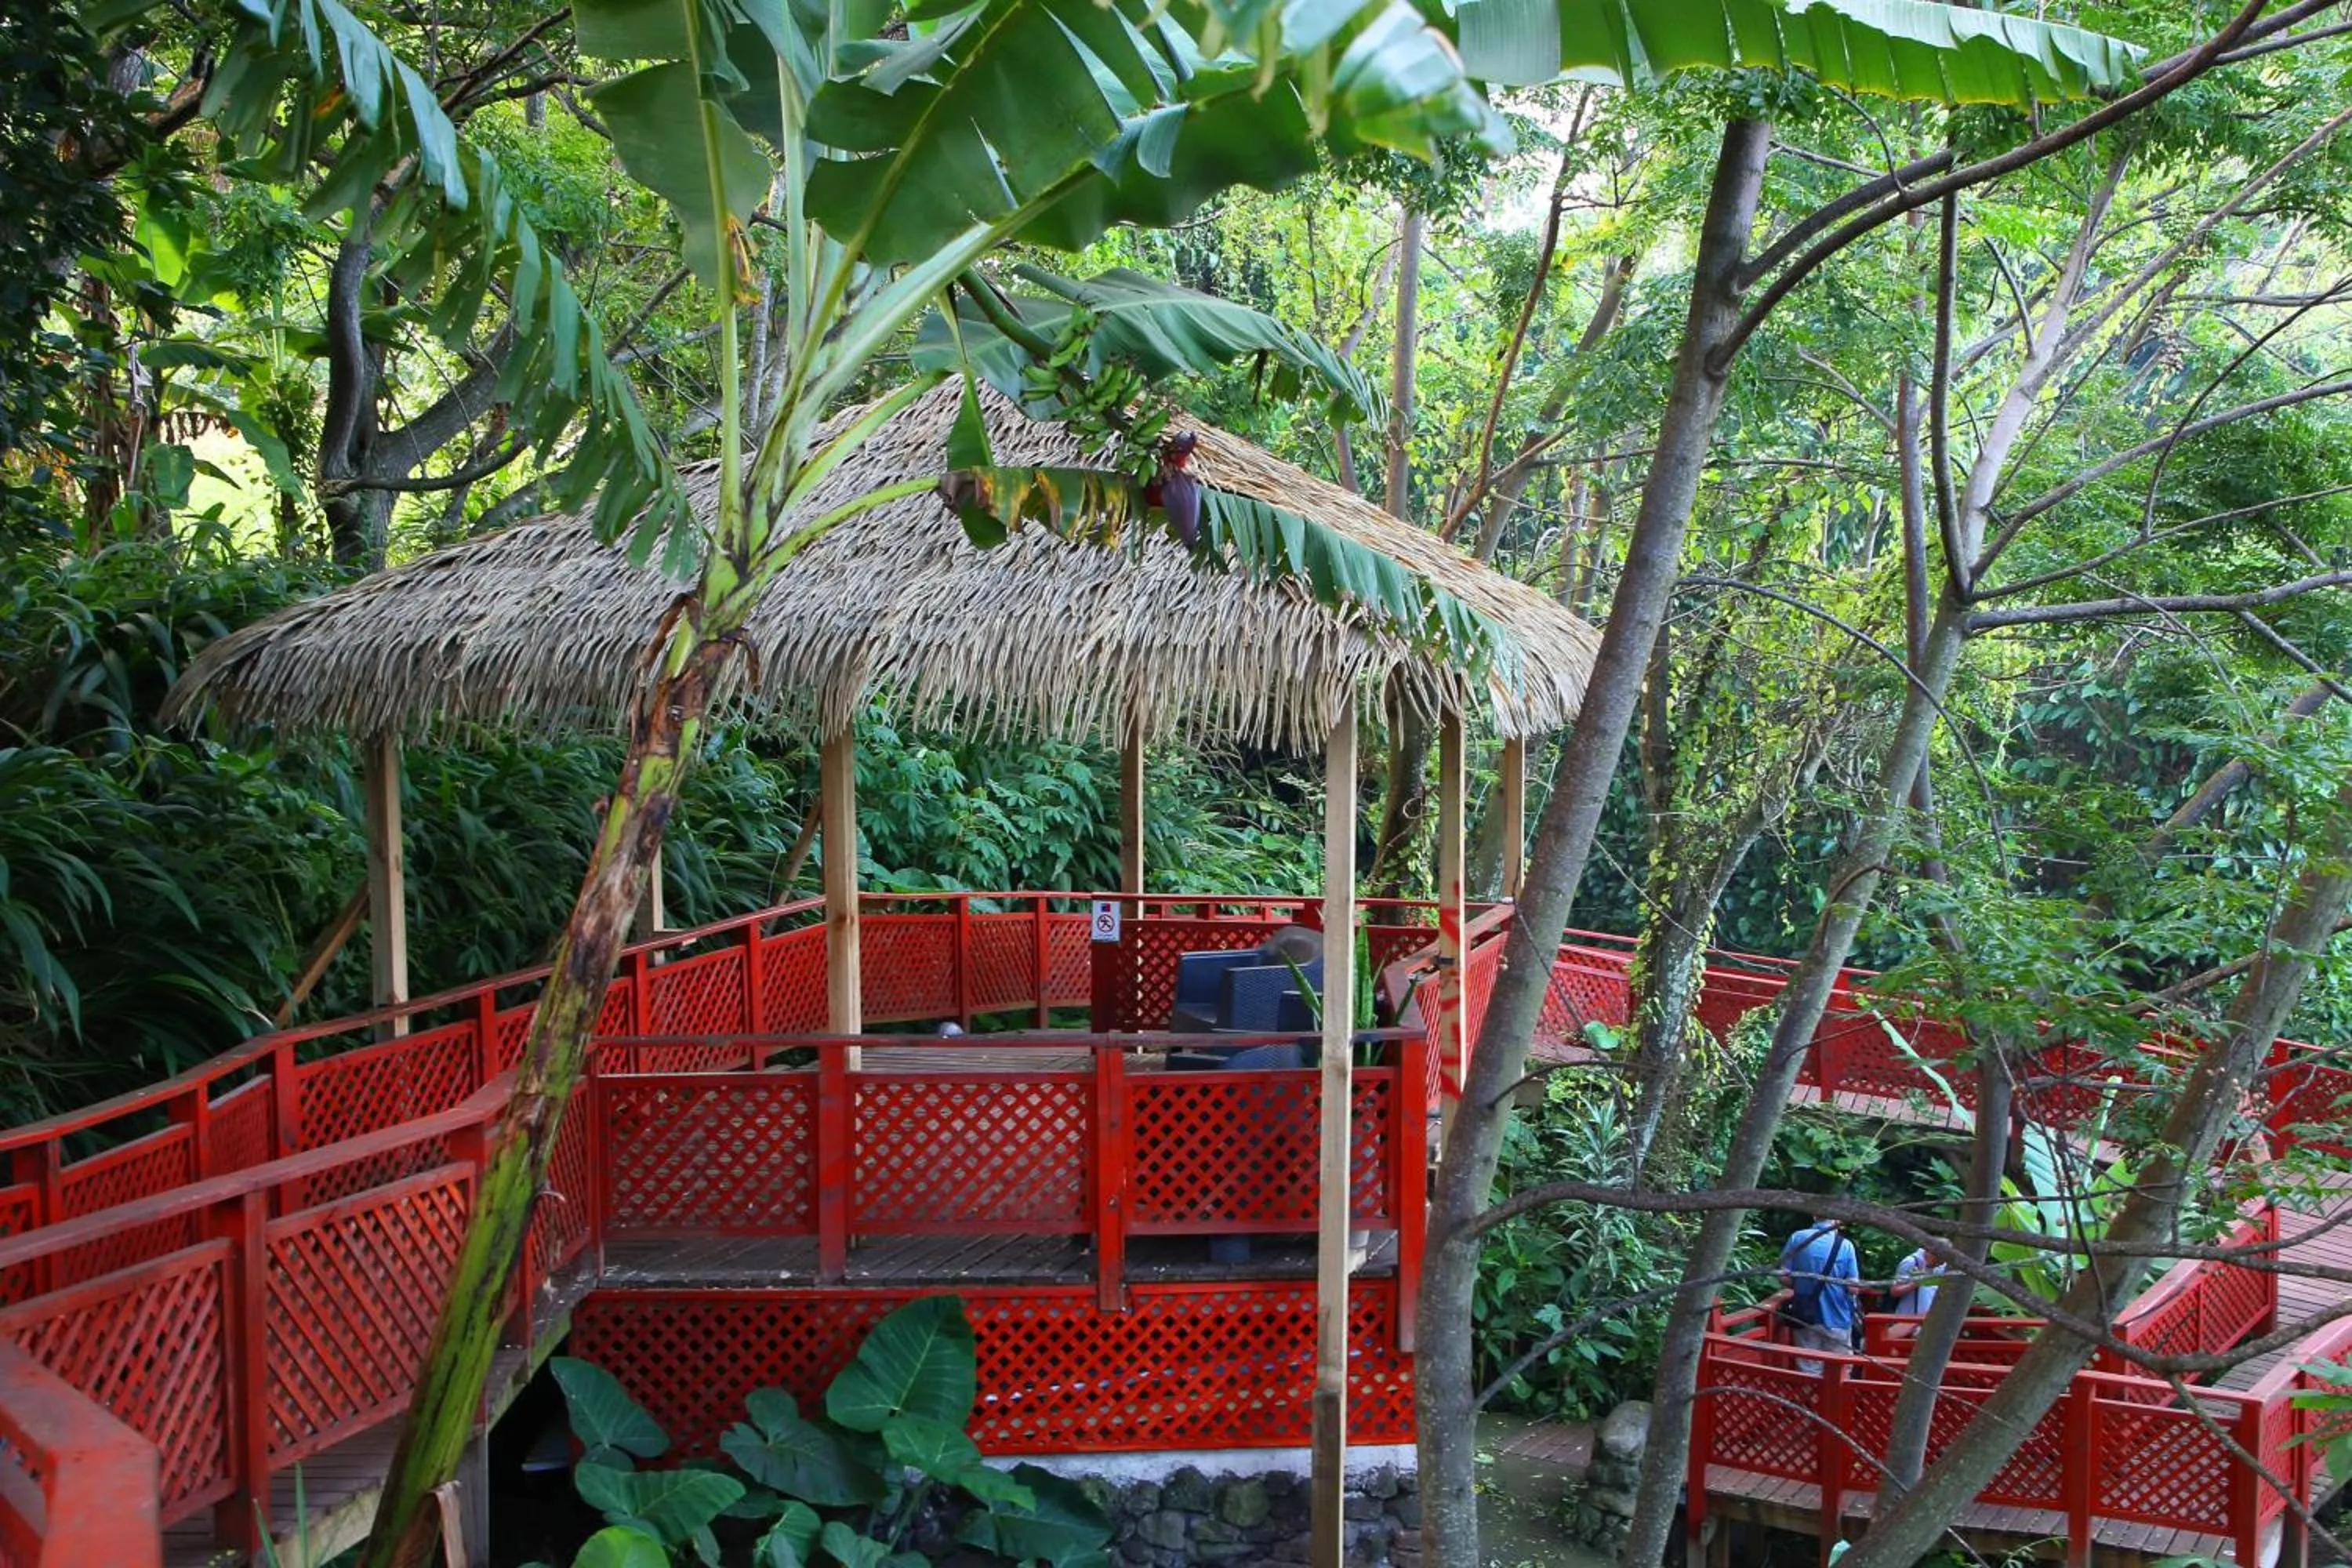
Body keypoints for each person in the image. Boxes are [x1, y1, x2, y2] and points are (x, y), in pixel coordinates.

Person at [1777, 1215, 1859, 1374]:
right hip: (1837, 1316)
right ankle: (1835, 1398)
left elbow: (1783, 1276)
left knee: (1809, 1366)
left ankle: (1810, 1397)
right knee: (1840, 1368)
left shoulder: (1798, 1238)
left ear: (1815, 1216)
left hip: (1805, 1314)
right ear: (1837, 1220)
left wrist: (1802, 1284)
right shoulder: (1846, 1245)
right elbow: (1853, 1288)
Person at [1890, 1245, 1941, 1319]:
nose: (1941, 1263)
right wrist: (1916, 1283)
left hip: (1930, 1319)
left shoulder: (1938, 1266)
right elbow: (1894, 1291)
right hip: (1908, 1317)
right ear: (1931, 1253)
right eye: (1940, 1259)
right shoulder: (1910, 1262)